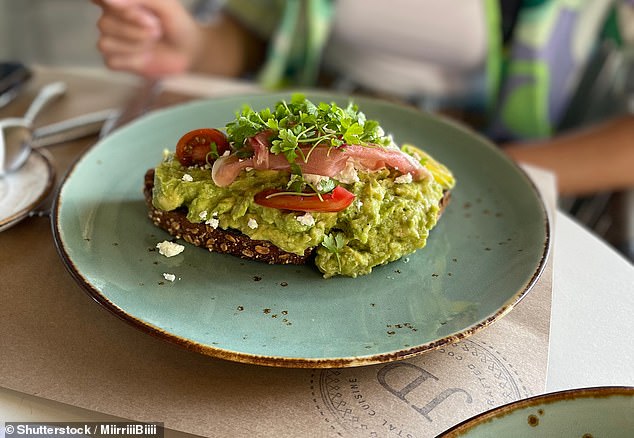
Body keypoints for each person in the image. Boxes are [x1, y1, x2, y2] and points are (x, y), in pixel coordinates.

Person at [92, 0, 634, 196]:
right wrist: (193, 43)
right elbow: (254, 38)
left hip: (518, 153)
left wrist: (494, 169)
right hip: (313, 120)